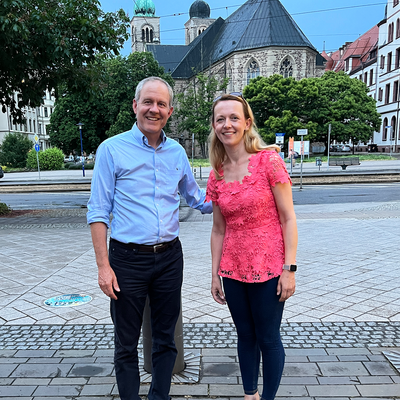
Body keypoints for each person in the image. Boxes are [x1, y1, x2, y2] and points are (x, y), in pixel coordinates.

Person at [87, 76, 212, 400]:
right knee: (126, 343)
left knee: (165, 339)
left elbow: (198, 199)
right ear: (135, 106)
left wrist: (242, 192)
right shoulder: (111, 150)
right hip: (127, 260)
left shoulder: (177, 152)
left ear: (169, 111)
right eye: (148, 102)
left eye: (160, 104)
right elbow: (98, 212)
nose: (153, 109)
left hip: (170, 258)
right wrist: (104, 267)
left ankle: (160, 397)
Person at [206, 93, 298, 400]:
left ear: (247, 123)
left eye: (234, 118)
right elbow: (218, 229)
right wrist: (215, 273)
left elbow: (288, 219)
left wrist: (290, 269)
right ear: (214, 126)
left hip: (270, 268)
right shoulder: (217, 171)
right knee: (245, 336)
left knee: (268, 338)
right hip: (232, 269)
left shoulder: (268, 161)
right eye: (221, 119)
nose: (227, 125)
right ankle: (250, 395)